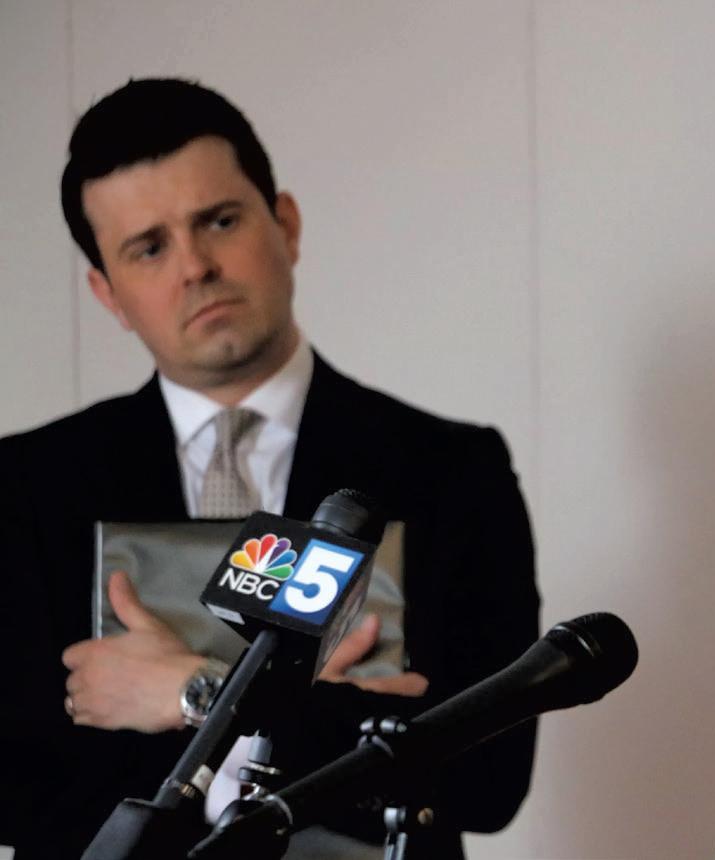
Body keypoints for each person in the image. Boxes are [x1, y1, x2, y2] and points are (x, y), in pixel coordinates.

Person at [0, 78, 539, 859]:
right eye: (149, 247)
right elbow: (17, 787)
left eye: (219, 221)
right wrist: (333, 713)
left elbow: (489, 777)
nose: (196, 266)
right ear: (107, 293)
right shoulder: (26, 487)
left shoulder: (450, 470)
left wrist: (192, 692)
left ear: (285, 224)